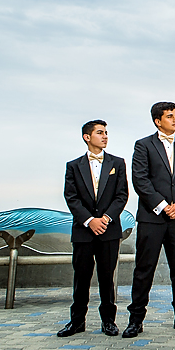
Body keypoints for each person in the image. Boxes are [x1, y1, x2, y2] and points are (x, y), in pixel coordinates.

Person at [124, 102, 175, 338]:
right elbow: (140, 180)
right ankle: (136, 320)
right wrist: (164, 206)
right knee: (144, 269)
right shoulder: (143, 145)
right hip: (152, 218)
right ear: (158, 121)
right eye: (170, 116)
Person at [59, 120, 129, 338]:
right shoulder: (73, 166)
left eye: (106, 132)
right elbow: (71, 197)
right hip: (83, 231)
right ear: (87, 137)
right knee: (81, 277)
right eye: (100, 133)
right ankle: (77, 321)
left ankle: (108, 321)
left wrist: (105, 218)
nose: (105, 136)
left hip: (109, 229)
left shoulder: (118, 163)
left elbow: (122, 195)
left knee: (107, 277)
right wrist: (90, 220)